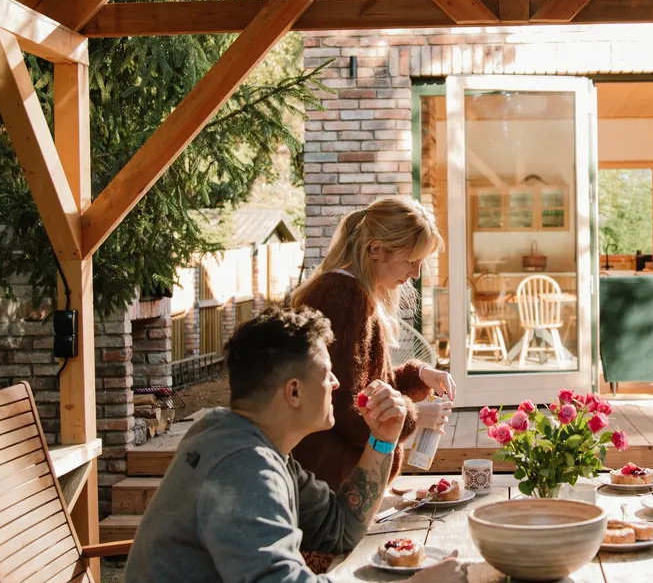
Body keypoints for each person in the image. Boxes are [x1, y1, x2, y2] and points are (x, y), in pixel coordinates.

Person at [125, 308, 464, 583]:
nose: (336, 383)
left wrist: (383, 439)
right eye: (326, 373)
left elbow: (340, 528)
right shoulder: (245, 469)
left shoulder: (243, 440)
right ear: (294, 392)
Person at [290, 196, 455, 491]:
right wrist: (414, 416)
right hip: (333, 486)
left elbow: (370, 383)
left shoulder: (348, 291)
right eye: (411, 261)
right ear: (376, 250)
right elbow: (347, 411)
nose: (415, 273)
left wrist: (418, 375)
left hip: (335, 481)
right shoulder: (345, 298)